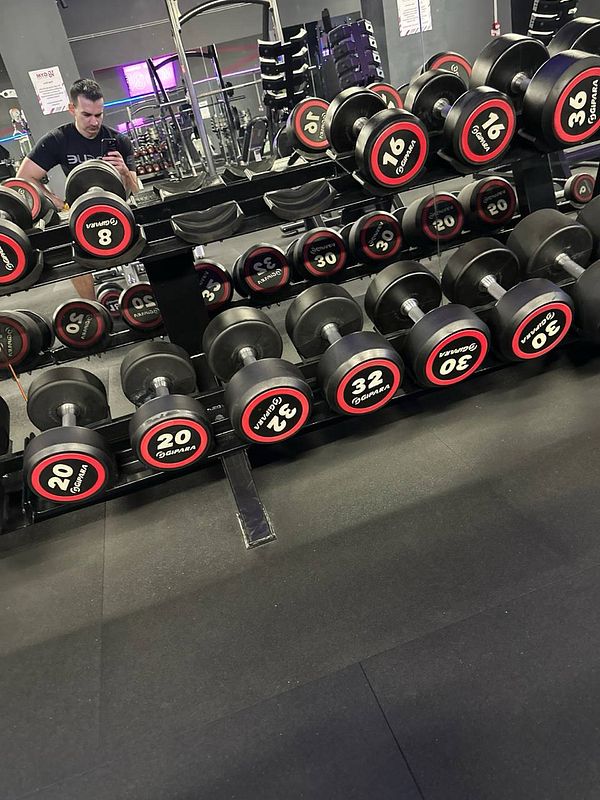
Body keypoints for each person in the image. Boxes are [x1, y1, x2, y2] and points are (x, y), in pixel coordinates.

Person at [17, 78, 139, 299]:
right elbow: (24, 177)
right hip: (80, 210)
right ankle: (93, 306)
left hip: (118, 206)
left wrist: (124, 172)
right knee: (69, 246)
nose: (94, 122)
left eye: (99, 115)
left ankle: (139, 292)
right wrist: (57, 201)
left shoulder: (118, 140)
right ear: (72, 109)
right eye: (87, 115)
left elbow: (136, 190)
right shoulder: (58, 140)